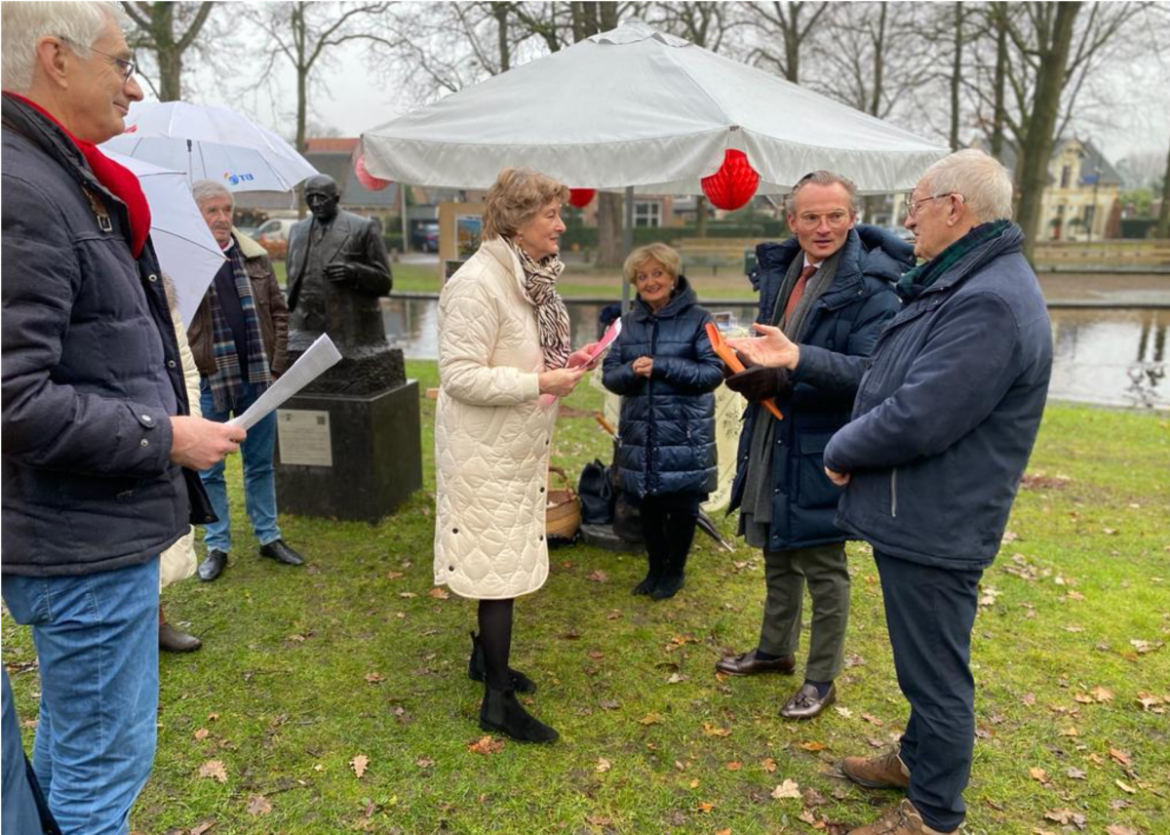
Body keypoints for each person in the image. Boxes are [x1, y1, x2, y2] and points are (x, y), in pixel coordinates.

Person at [729, 149, 1053, 835]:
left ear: (954, 209)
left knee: (935, 673)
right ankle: (915, 758)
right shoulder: (958, 281)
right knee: (922, 662)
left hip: (940, 516)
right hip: (923, 509)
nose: (908, 217)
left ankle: (934, 813)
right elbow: (888, 369)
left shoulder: (988, 299)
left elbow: (921, 412)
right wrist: (799, 356)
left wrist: (844, 449)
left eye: (917, 203)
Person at [1, 4, 244, 833]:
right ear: (54, 60)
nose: (135, 85)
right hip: (80, 539)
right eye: (121, 61)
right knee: (99, 777)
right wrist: (167, 434)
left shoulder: (53, 179)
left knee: (72, 761)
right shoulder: (25, 189)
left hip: (77, 529)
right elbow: (12, 398)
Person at [715, 172, 906, 720]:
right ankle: (775, 651)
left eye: (835, 216)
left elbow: (872, 375)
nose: (823, 228)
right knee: (777, 549)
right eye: (811, 217)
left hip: (823, 443)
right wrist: (745, 364)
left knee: (823, 566)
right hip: (778, 431)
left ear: (853, 216)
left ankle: (821, 678)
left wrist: (789, 372)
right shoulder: (785, 270)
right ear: (790, 220)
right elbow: (777, 346)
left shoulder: (874, 286)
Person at [434, 167, 596, 744]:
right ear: (517, 221)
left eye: (559, 212)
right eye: (551, 214)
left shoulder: (529, 279)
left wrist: (563, 363)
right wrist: (541, 384)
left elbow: (521, 352)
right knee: (498, 571)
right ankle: (496, 702)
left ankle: (485, 662)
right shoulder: (478, 283)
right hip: (484, 451)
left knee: (498, 558)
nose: (561, 223)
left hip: (514, 445)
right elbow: (458, 376)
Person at [187, 180, 303, 581]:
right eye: (212, 211)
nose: (222, 218)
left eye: (226, 210)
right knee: (209, 469)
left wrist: (276, 368)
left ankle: (269, 537)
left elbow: (280, 313)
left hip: (258, 376)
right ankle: (217, 545)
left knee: (260, 465)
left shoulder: (255, 257)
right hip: (211, 379)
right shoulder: (182, 262)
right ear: (197, 215)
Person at [602, 244, 723, 600]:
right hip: (642, 429)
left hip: (685, 429)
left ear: (672, 277)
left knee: (683, 505)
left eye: (658, 273)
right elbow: (611, 375)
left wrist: (661, 366)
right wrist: (631, 371)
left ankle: (674, 571)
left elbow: (713, 372)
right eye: (642, 276)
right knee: (649, 503)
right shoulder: (628, 323)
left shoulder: (700, 320)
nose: (651, 281)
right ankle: (655, 569)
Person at [285, 173, 391, 354]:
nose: (316, 203)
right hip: (302, 327)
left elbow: (385, 282)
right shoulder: (297, 231)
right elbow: (292, 279)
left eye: (322, 198)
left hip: (347, 328)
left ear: (336, 199)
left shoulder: (362, 228)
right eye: (311, 198)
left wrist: (355, 273)